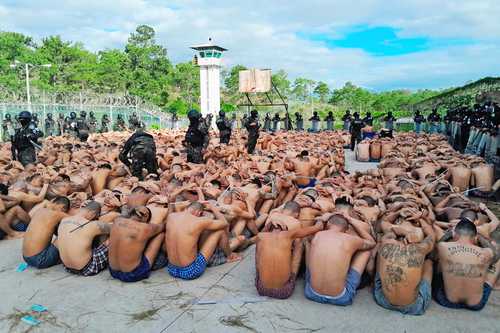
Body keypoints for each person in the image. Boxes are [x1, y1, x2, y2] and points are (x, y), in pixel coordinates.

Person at [305, 213, 375, 306]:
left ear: (328, 223)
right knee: (366, 251)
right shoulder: (350, 239)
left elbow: (309, 235)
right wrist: (351, 221)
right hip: (340, 298)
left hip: (311, 293)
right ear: (346, 230)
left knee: (309, 244)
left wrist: (321, 219)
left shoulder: (318, 235)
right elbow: (371, 242)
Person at [433, 218, 500, 311]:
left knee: (439, 260)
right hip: (476, 304)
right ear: (475, 237)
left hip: (447, 301)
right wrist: (479, 236)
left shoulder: (443, 247)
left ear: (454, 233)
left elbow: (440, 242)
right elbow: (496, 255)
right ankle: (495, 284)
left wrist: (450, 233)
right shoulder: (487, 252)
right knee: (498, 263)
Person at [165, 201, 240, 280]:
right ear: (199, 213)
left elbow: (175, 205)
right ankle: (230, 256)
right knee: (220, 232)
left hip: (171, 269)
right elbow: (224, 223)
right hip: (190, 271)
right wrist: (212, 208)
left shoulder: (171, 216)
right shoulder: (199, 221)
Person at [255, 212, 323, 299]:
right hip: (284, 291)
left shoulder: (260, 236)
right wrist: (321, 219)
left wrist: (270, 222)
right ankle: (297, 275)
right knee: (299, 242)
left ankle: (262, 276)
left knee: (259, 247)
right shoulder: (289, 235)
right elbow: (318, 227)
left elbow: (262, 233)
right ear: (284, 228)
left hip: (261, 290)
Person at [374, 219, 435, 315]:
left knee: (380, 257)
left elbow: (389, 230)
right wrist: (421, 219)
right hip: (413, 307)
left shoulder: (385, 243)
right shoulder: (420, 249)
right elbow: (432, 237)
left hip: (383, 300)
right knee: (429, 263)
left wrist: (403, 231)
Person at [108, 206, 167, 282]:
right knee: (160, 235)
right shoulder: (146, 228)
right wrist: (171, 203)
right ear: (145, 216)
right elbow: (164, 225)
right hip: (133, 274)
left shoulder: (117, 221)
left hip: (113, 271)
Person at [57, 201, 111, 276]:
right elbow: (114, 229)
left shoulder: (64, 220)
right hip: (87, 268)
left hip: (67, 267)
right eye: (95, 216)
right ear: (92, 213)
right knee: (112, 239)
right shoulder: (93, 225)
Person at [22, 197, 70, 268]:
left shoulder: (40, 211)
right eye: (64, 211)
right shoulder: (56, 214)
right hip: (40, 260)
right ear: (63, 207)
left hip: (26, 258)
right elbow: (77, 219)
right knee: (68, 230)